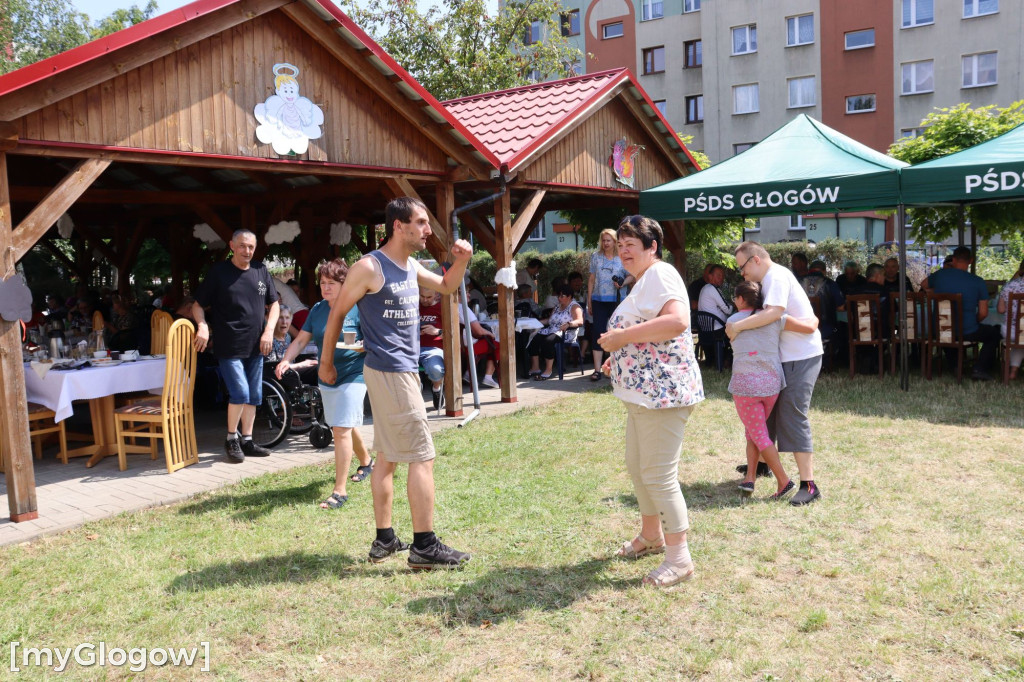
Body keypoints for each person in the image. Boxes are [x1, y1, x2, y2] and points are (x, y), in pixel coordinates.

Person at [319, 196, 472, 570]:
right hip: (390, 372)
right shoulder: (370, 267)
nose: (427, 230)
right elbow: (337, 312)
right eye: (420, 223)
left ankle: (384, 540)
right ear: (398, 226)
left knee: (386, 459)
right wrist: (325, 363)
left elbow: (448, 285)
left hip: (399, 371)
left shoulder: (409, 266)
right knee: (422, 456)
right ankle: (425, 547)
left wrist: (464, 259)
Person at [598, 215, 703, 588]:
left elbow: (676, 322)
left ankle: (679, 559)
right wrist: (621, 353)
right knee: (637, 466)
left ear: (651, 247)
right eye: (621, 243)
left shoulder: (660, 274)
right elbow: (650, 330)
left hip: (664, 396)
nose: (623, 250)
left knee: (658, 476)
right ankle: (651, 536)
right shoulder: (644, 281)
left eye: (631, 244)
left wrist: (622, 339)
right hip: (644, 395)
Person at [727, 241, 824, 506]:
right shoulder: (767, 282)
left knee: (793, 415)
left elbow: (774, 314)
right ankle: (761, 465)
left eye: (742, 267)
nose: (742, 274)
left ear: (756, 260)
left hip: (801, 356)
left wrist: (738, 327)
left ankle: (809, 485)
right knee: (765, 417)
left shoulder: (777, 277)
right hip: (781, 358)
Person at [276, 259, 374, 509]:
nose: (326, 288)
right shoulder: (318, 310)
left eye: (331, 283)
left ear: (345, 284)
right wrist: (286, 359)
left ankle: (339, 491)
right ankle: (367, 461)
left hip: (354, 373)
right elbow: (300, 341)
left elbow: (374, 339)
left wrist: (363, 345)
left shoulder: (359, 307)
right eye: (322, 283)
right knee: (344, 425)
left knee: (340, 428)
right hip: (326, 374)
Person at [193, 229, 280, 464]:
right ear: (232, 245)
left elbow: (274, 304)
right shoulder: (219, 273)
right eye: (242, 246)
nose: (247, 251)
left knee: (254, 395)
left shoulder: (261, 270)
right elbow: (198, 305)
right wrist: (202, 326)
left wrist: (269, 330)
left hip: (257, 345)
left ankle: (247, 440)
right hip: (228, 345)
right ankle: (231, 438)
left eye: (251, 246)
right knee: (240, 393)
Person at [924, 246, 1000, 381]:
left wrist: (934, 293)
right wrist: (974, 321)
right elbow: (983, 313)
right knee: (994, 334)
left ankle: (955, 365)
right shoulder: (977, 281)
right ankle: (979, 368)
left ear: (953, 260)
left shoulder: (940, 275)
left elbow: (923, 284)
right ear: (970, 261)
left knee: (949, 333)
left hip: (941, 330)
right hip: (967, 330)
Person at [588, 228, 631, 381]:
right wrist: (589, 300)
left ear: (615, 242)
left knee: (617, 332)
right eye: (604, 240)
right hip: (598, 299)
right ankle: (597, 370)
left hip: (617, 300)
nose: (606, 243)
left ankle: (617, 368)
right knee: (598, 332)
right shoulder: (596, 257)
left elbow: (632, 276)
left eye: (609, 240)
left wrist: (622, 283)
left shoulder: (622, 257)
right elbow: (591, 279)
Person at [526, 284, 584, 380]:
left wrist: (569, 324)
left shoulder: (574, 306)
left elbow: (580, 321)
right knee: (535, 338)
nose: (559, 298)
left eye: (562, 296)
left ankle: (548, 370)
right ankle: (535, 368)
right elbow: (550, 320)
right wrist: (535, 322)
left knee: (548, 341)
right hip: (552, 329)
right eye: (558, 296)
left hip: (566, 332)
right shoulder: (557, 306)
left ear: (569, 296)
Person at [997, 258, 1024, 379]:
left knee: (1019, 338)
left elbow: (1001, 310)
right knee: (1022, 337)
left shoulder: (1010, 286)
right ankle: (1014, 370)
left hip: (1010, 331)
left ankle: (1013, 371)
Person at [697, 264, 732, 329]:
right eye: (718, 275)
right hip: (718, 328)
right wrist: (734, 305)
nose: (721, 278)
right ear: (710, 276)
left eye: (723, 276)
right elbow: (728, 310)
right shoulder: (712, 288)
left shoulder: (705, 288)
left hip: (705, 328)